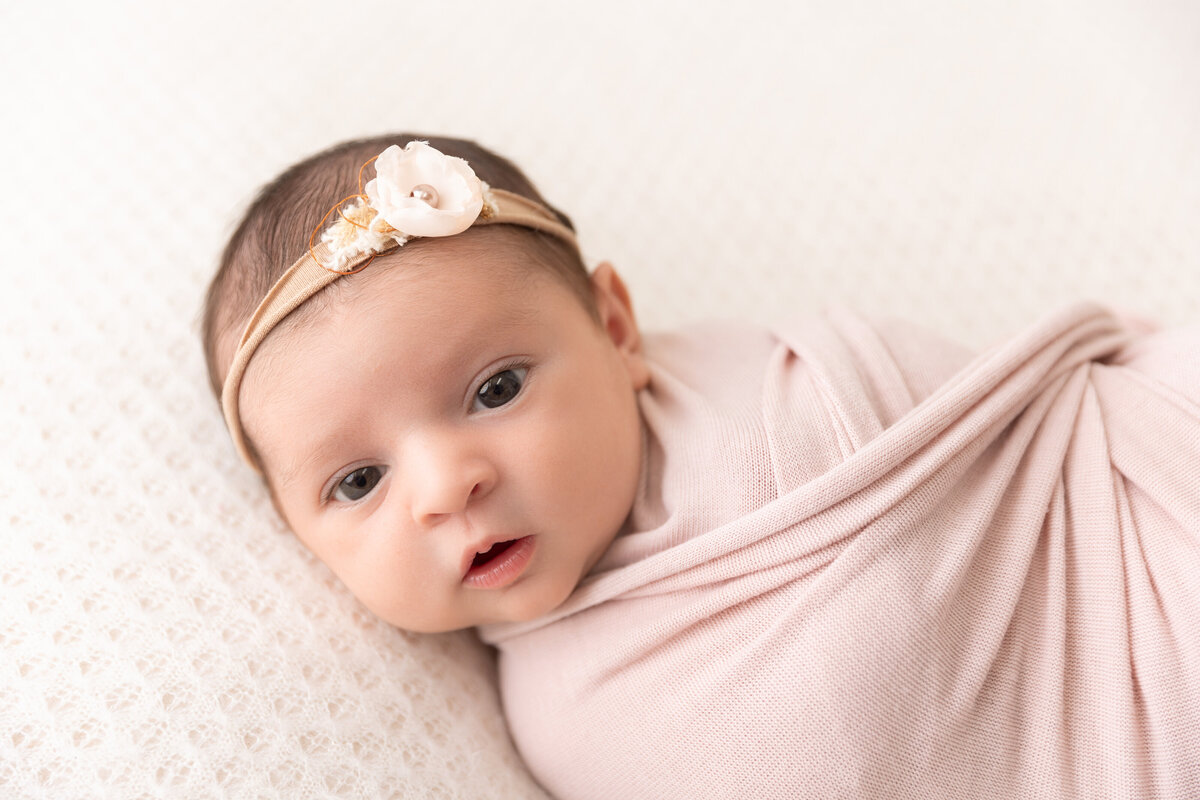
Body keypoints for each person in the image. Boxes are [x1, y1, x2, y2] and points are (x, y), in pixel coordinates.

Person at [204, 134, 1200, 798]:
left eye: (497, 388)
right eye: (357, 481)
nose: (443, 487)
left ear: (615, 327)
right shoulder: (560, 722)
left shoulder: (785, 384)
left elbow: (1029, 446)